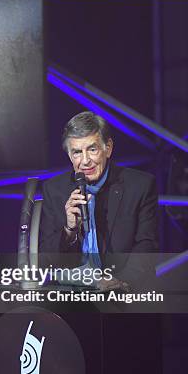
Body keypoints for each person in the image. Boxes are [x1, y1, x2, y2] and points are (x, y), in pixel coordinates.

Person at [39, 111, 158, 290]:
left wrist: (119, 283)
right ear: (70, 156)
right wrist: (69, 230)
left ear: (108, 148)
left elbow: (146, 247)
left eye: (92, 149)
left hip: (123, 292)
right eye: (77, 152)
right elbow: (46, 260)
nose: (85, 161)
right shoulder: (54, 190)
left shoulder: (140, 186)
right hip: (71, 292)